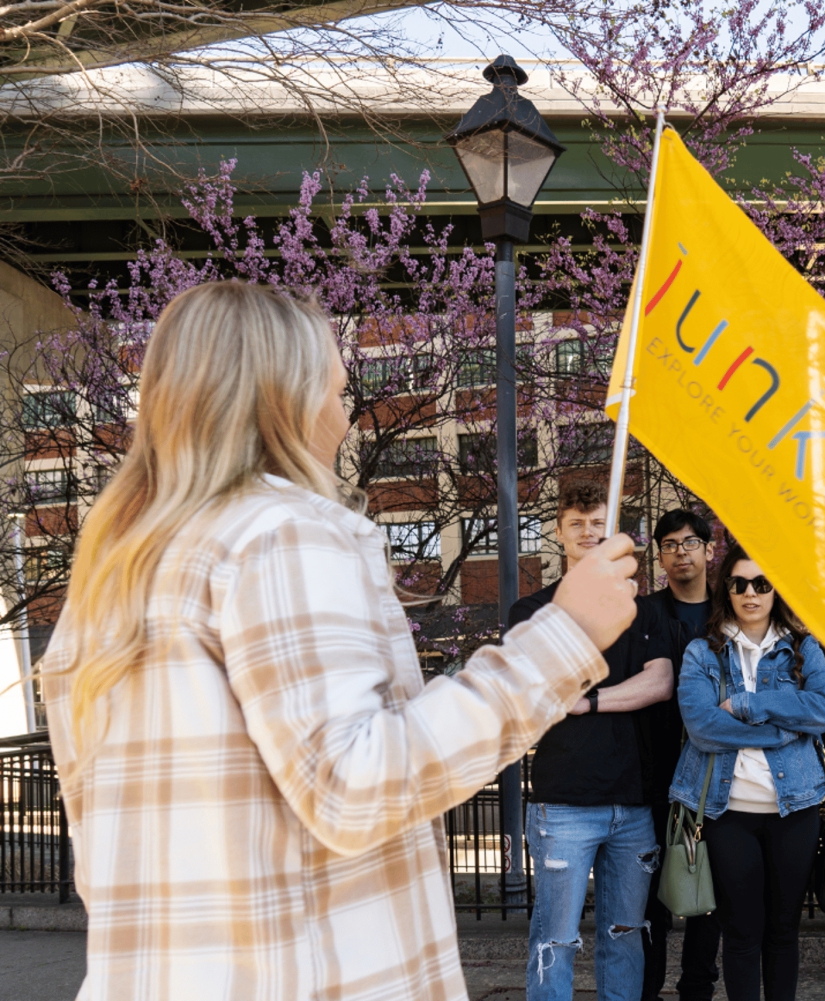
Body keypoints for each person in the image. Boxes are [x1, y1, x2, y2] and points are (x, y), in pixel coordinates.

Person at [38, 281, 641, 1001]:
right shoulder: (279, 532)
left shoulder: (112, 574)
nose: (345, 417)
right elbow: (354, 785)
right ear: (285, 399)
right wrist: (563, 639)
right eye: (335, 390)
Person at [508, 480, 676, 1001]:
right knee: (553, 940)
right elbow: (542, 684)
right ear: (558, 533)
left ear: (612, 531)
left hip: (633, 804)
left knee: (624, 938)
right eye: (575, 523)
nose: (587, 531)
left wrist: (592, 701)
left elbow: (660, 682)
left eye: (596, 522)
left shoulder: (645, 611)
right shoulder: (531, 611)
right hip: (563, 804)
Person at [669, 542, 825, 1001]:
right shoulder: (702, 653)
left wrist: (747, 705)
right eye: (740, 583)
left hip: (795, 811)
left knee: (783, 930)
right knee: (741, 932)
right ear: (727, 589)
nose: (750, 593)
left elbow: (823, 710)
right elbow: (703, 726)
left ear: (775, 590)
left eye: (761, 584)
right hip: (728, 814)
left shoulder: (804, 649)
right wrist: (782, 730)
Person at [639, 509, 722, 1001]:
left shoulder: (729, 612)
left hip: (714, 774)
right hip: (654, 769)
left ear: (708, 549)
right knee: (649, 898)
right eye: (669, 545)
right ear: (661, 555)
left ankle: (697, 991)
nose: (680, 552)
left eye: (689, 542)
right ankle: (647, 990)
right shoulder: (646, 611)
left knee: (706, 894)